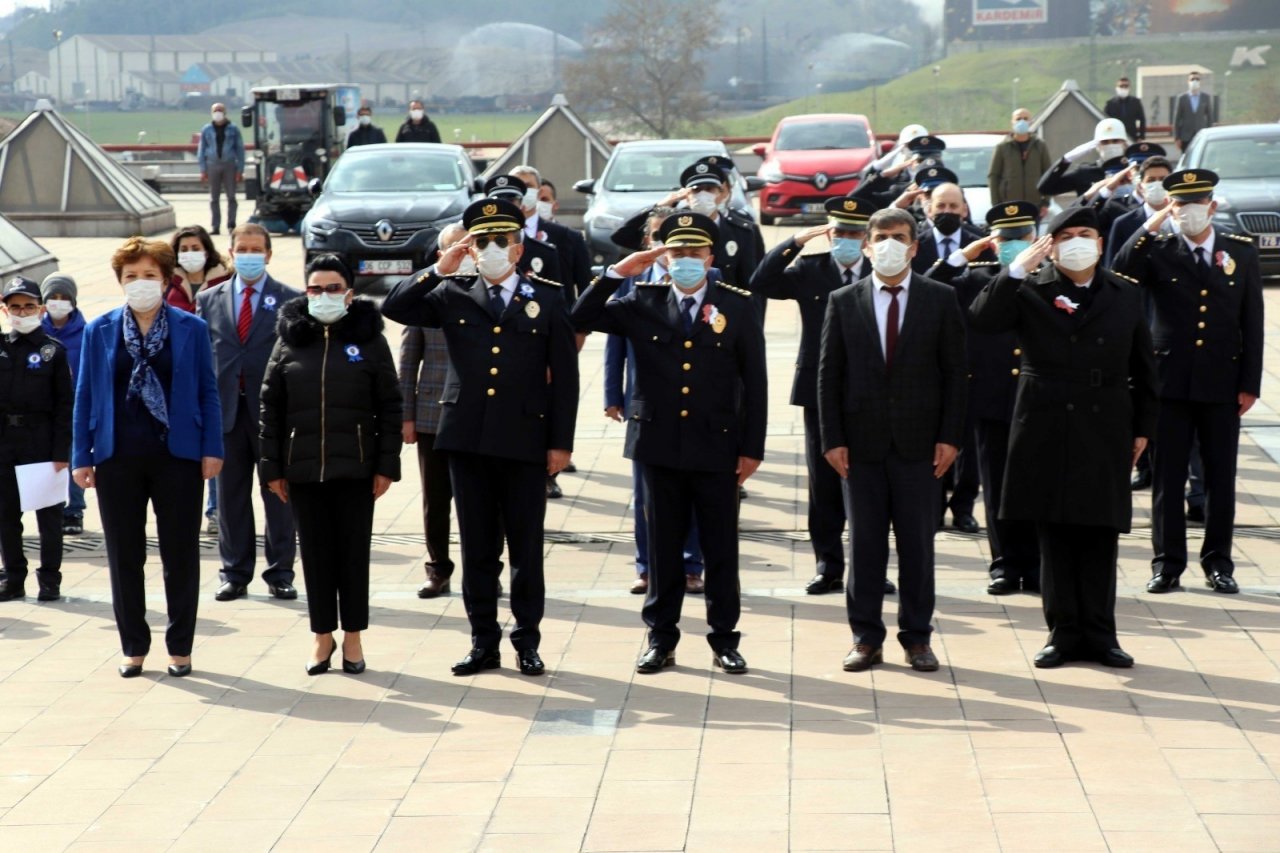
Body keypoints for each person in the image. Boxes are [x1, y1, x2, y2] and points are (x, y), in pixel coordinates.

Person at [382, 198, 579, 678]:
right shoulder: (452, 292)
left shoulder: (547, 297)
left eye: (500, 241)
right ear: (471, 250)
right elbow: (396, 307)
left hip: (525, 438)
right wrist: (439, 266)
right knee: (477, 548)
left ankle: (527, 641)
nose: (491, 249)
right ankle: (483, 641)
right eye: (482, 242)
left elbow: (567, 377)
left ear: (518, 248)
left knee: (526, 548)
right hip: (467, 437)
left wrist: (560, 443)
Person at [573, 212, 766, 676]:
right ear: (664, 258)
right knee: (662, 549)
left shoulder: (736, 305)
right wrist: (619, 271)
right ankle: (661, 638)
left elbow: (755, 383)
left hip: (717, 445)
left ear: (710, 257)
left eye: (693, 253)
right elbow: (579, 316)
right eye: (676, 253)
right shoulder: (641, 299)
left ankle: (724, 639)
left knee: (720, 550)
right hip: (658, 444)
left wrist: (751, 448)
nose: (685, 261)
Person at [969, 207, 1158, 668]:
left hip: (1105, 420)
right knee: (1053, 532)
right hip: (1046, 419)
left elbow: (1144, 366)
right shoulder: (1030, 287)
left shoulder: (1124, 293)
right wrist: (1015, 270)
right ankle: (1062, 632)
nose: (1077, 242)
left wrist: (1143, 428)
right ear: (1050, 244)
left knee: (1099, 530)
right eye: (1066, 235)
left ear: (1099, 241)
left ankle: (1100, 633)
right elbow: (982, 319)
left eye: (1086, 234)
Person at [819, 208, 967, 674]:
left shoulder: (940, 298)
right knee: (864, 547)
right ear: (866, 244)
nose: (889, 244)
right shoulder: (843, 300)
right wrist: (832, 439)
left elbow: (956, 375)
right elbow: (829, 376)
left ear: (914, 246)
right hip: (860, 448)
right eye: (881, 236)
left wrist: (950, 437)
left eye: (899, 237)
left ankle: (917, 637)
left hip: (921, 447)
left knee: (918, 547)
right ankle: (865, 638)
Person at [72, 238, 223, 679]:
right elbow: (85, 396)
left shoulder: (190, 328)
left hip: (178, 456)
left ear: (166, 279)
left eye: (149, 276)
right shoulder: (99, 329)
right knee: (124, 555)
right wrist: (82, 454)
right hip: (118, 456)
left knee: (180, 555)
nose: (141, 284)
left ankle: (180, 648)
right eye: (131, 277)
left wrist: (213, 447)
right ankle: (134, 646)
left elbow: (207, 391)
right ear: (119, 282)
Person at [1114, 169, 1263, 596]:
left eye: (1195, 205)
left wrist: (1249, 382)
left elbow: (1252, 322)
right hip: (1168, 382)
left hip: (1222, 383)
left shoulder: (1241, 253)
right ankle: (1167, 563)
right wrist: (1151, 223)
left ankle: (1218, 561)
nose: (1187, 213)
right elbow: (1120, 270)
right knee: (1167, 477)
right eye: (1178, 205)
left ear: (1212, 207)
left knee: (1220, 477)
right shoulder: (1158, 251)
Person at [261, 254, 401, 675]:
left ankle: (354, 638)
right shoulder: (289, 339)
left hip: (356, 469)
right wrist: (271, 468)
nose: (324, 296)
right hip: (303, 469)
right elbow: (270, 405)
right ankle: (323, 637)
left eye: (333, 288)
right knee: (316, 557)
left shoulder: (370, 340)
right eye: (316, 289)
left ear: (350, 293)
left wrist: (385, 465)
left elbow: (390, 405)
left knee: (353, 556)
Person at [750, 196, 896, 597]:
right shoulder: (811, 270)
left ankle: (872, 567)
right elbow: (760, 281)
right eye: (839, 232)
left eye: (854, 233)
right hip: (819, 390)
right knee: (824, 482)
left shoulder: (882, 270)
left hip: (871, 392)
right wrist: (794, 241)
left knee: (869, 484)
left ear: (866, 238)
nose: (846, 240)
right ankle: (828, 564)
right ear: (829, 234)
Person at [927, 202, 1044, 595]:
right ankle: (1005, 564)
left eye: (1020, 237)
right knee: (996, 487)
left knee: (1037, 485)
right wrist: (964, 254)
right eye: (1005, 238)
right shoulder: (975, 279)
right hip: (992, 396)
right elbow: (927, 288)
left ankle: (1039, 564)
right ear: (993, 243)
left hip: (1040, 398)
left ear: (1034, 237)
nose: (1014, 244)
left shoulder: (1052, 276)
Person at [602, 207, 707, 596]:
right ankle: (646, 566)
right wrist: (613, 394)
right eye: (661, 237)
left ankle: (692, 564)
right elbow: (615, 344)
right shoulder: (634, 284)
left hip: (697, 406)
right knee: (646, 494)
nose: (671, 247)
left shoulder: (709, 280)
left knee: (695, 493)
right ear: (650, 242)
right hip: (645, 406)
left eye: (678, 240)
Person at [196, 224, 301, 602]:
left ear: (269, 254)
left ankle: (281, 572)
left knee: (279, 494)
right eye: (243, 248)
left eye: (257, 249)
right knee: (230, 496)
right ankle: (235, 572)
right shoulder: (208, 299)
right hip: (225, 411)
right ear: (231, 252)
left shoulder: (290, 299)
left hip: (272, 413)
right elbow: (200, 357)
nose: (249, 255)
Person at [400, 224, 464, 599]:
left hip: (477, 414)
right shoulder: (425, 298)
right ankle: (437, 567)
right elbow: (408, 361)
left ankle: (489, 567)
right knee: (435, 500)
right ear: (441, 256)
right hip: (431, 415)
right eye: (452, 249)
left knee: (484, 500)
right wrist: (406, 416)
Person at [0, 277, 72, 603]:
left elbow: (64, 405)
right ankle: (13, 577)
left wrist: (62, 451)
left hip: (41, 440)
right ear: (5, 310)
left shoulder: (52, 351)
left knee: (48, 517)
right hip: (5, 441)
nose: (22, 311)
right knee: (6, 516)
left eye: (28, 305)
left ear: (40, 309)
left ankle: (50, 579)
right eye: (15, 306)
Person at [40, 273, 86, 537]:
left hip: (74, 405)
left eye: (64, 298)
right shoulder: (37, 331)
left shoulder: (85, 332)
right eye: (53, 298)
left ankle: (75, 509)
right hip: (45, 408)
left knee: (72, 457)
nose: (58, 303)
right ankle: (51, 507)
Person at [481, 175, 564, 287]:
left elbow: (555, 299)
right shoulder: (480, 249)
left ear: (523, 208)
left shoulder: (546, 252)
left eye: (511, 203)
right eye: (498, 205)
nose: (504, 210)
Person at [1105, 154, 1173, 268]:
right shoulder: (1123, 223)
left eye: (1162, 179)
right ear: (1141, 186)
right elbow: (1112, 268)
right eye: (1151, 180)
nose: (1157, 184)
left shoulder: (1182, 219)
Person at [1037, 118, 1130, 199]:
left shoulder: (1132, 171)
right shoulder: (1085, 172)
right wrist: (1066, 160)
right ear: (1097, 146)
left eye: (1115, 141)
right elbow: (1045, 188)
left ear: (1125, 144)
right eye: (1105, 142)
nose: (1110, 145)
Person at [987, 108, 1052, 211]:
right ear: (1012, 122)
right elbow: (994, 176)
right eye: (1018, 119)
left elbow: (1049, 174)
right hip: (1009, 206)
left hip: (1035, 205)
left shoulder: (1040, 146)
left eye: (1025, 119)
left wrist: (1046, 202)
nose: (1022, 122)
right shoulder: (1002, 147)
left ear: (1031, 122)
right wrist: (996, 204)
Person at [196, 103, 245, 236]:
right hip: (212, 165)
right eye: (215, 110)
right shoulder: (207, 129)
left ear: (225, 112)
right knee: (214, 198)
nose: (218, 112)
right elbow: (201, 149)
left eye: (220, 110)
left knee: (231, 197)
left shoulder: (233, 129)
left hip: (229, 165)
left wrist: (240, 169)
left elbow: (240, 149)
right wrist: (203, 169)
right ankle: (215, 226)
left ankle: (231, 224)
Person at [168, 225, 233, 314]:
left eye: (195, 249)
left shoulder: (225, 281)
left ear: (206, 253)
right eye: (184, 250)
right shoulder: (168, 281)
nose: (189, 253)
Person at [1172, 71, 1213, 151]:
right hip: (1185, 137)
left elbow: (1210, 118)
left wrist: (1209, 134)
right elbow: (1177, 119)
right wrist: (1177, 138)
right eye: (1192, 79)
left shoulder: (1205, 97)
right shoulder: (1182, 98)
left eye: (1197, 79)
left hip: (1201, 135)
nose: (1195, 81)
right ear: (1188, 81)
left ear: (1200, 82)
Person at [1104, 76, 1146, 141]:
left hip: (1132, 136)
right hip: (1115, 137)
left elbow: (1142, 119)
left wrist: (1141, 136)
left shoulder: (1136, 102)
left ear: (1129, 88)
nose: (1123, 88)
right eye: (1121, 86)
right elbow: (1105, 121)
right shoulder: (1110, 103)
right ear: (1116, 88)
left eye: (1126, 86)